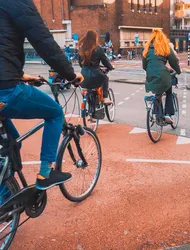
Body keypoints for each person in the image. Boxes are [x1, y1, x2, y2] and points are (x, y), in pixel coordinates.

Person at [0, 0, 84, 193]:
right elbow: (44, 42)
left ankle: (5, 205)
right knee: (54, 113)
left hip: (6, 79)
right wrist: (70, 75)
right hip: (5, 88)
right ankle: (46, 173)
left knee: (10, 143)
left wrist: (20, 75)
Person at [142, 28, 181, 124]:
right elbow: (173, 61)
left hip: (150, 76)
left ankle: (157, 114)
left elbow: (144, 66)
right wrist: (178, 71)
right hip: (163, 75)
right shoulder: (165, 47)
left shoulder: (147, 49)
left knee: (157, 92)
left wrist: (151, 70)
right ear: (162, 38)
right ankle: (167, 114)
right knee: (168, 90)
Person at [78, 30, 114, 104]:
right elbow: (105, 61)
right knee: (105, 78)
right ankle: (105, 97)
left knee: (86, 90)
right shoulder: (98, 48)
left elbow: (80, 63)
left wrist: (86, 67)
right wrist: (110, 67)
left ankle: (87, 104)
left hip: (84, 75)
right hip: (96, 74)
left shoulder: (82, 48)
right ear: (95, 38)